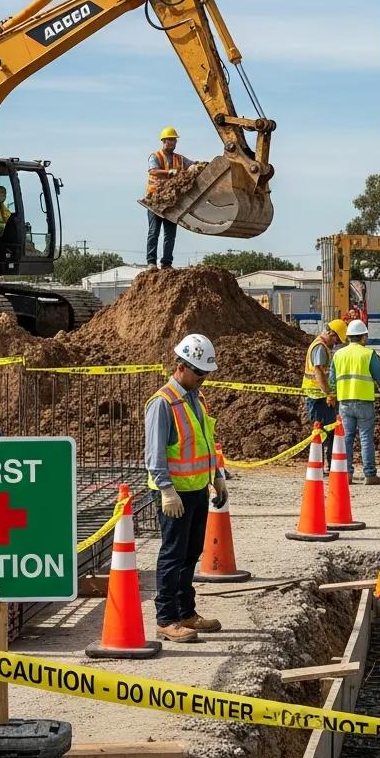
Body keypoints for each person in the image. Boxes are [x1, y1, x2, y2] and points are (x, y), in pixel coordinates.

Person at [145, 333, 227, 643]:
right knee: (172, 555)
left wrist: (217, 475)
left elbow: (205, 442)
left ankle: (186, 612)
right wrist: (166, 490)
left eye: (207, 373)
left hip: (196, 489)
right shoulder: (162, 403)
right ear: (181, 366)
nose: (204, 379)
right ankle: (166, 618)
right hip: (175, 495)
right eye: (199, 373)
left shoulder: (195, 398)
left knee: (191, 553)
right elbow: (154, 454)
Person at [329, 319, 380, 485]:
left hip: (344, 402)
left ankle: (346, 474)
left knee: (347, 439)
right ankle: (370, 474)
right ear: (363, 337)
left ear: (349, 337)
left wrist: (335, 395)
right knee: (366, 438)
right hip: (364, 402)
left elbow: (331, 381)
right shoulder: (368, 354)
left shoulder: (338, 355)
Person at [145, 126, 194, 270]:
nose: (172, 143)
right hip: (156, 199)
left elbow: (192, 165)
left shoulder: (179, 158)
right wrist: (169, 172)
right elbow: (153, 170)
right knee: (154, 232)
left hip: (173, 201)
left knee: (170, 235)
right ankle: (151, 262)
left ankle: (166, 263)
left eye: (174, 140)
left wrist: (196, 167)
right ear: (163, 141)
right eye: (170, 140)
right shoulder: (155, 156)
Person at [302, 319, 348, 469]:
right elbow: (319, 372)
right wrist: (329, 393)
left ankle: (324, 464)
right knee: (322, 432)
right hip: (318, 398)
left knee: (326, 431)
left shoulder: (320, 346)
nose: (335, 344)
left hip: (319, 397)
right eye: (336, 340)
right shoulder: (320, 347)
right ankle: (322, 465)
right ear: (331, 333)